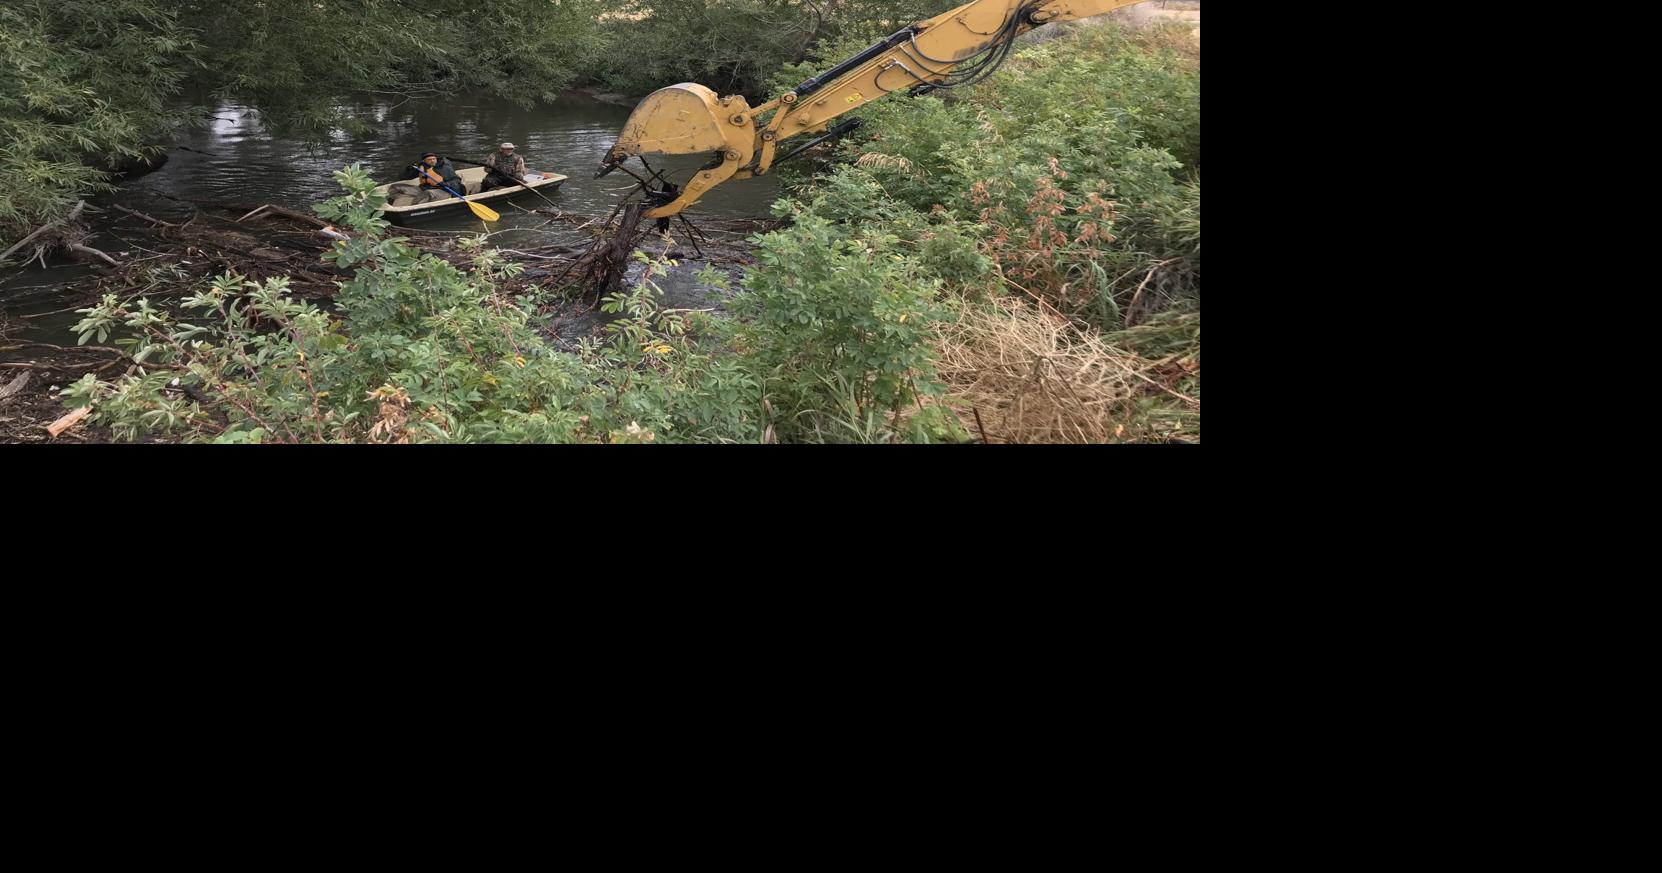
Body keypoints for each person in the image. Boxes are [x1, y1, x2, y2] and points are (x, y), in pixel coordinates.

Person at [388, 152, 465, 205]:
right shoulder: (421, 168)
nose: (432, 161)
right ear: (424, 161)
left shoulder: (444, 168)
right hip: (423, 189)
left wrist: (446, 184)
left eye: (434, 159)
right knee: (395, 187)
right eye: (429, 160)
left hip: (444, 191)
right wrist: (408, 169)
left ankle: (412, 208)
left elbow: (457, 180)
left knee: (427, 193)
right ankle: (403, 200)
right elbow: (404, 177)